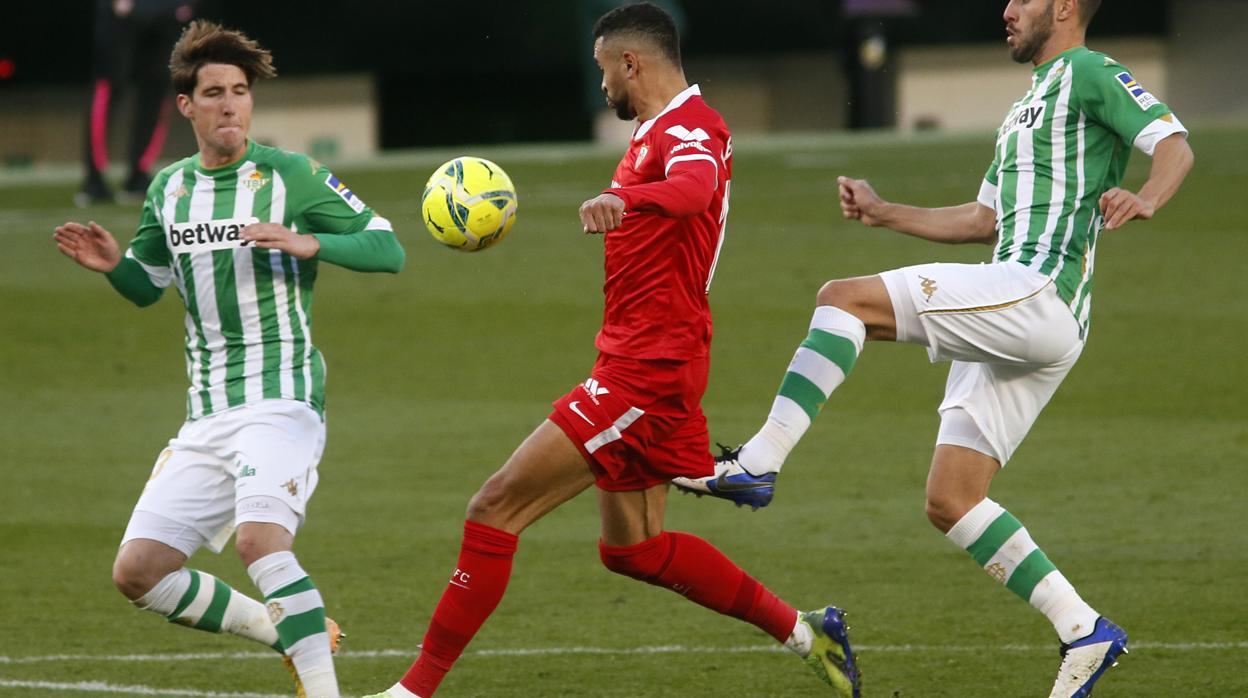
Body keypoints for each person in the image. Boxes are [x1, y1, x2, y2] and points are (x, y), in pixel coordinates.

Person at [673, 0, 1193, 695]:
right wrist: (887, 211)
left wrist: (1150, 197)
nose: (1008, 9)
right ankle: (1084, 630)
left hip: (1037, 292)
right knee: (952, 499)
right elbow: (984, 220)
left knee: (840, 298)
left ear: (1064, 7)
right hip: (1023, 302)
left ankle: (758, 462)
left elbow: (1173, 144)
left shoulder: (1091, 73)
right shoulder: (1029, 106)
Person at [365, 4, 860, 698]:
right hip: (641, 360)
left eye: (604, 70)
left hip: (647, 372)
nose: (602, 86)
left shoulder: (691, 128)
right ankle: (809, 633)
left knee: (494, 506)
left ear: (632, 63)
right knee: (634, 550)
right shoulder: (654, 132)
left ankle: (410, 692)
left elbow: (696, 189)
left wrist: (631, 203)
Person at [53, 20, 405, 698]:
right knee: (139, 572)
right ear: (184, 106)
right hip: (207, 413)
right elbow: (146, 288)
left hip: (282, 401)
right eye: (213, 93)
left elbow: (387, 248)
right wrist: (113, 267)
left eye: (240, 92)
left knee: (258, 541)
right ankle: (293, 631)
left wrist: (309, 245)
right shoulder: (170, 190)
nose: (229, 106)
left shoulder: (289, 176)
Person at [78, 0, 197, 206]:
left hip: (164, 12)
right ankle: (95, 177)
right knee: (107, 86)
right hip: (121, 14)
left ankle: (139, 174)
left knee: (157, 91)